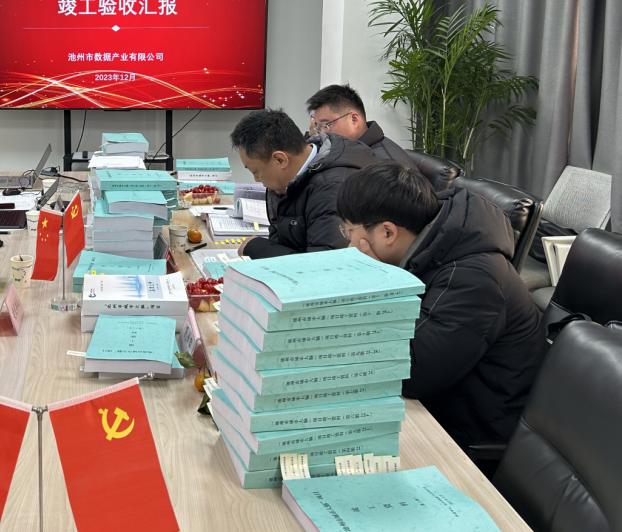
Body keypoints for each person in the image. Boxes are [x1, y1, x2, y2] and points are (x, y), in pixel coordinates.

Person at [336, 162, 546, 448]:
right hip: (440, 401)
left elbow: (410, 374)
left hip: (466, 430)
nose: (348, 242)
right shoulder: (433, 245)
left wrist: (370, 282)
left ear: (388, 233)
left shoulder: (473, 280)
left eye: (349, 231)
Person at [230, 108, 375, 259]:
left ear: (280, 160)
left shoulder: (332, 187)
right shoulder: (290, 179)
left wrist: (257, 248)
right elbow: (279, 238)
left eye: (256, 171)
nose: (256, 179)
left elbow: (324, 263)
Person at [305, 84, 416, 167]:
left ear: (354, 120)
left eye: (326, 125)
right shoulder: (346, 151)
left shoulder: (387, 166)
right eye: (318, 127)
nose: (322, 133)